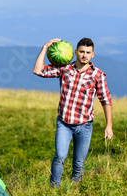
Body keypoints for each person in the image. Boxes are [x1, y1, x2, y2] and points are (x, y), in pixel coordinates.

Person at [33, 37, 113, 187]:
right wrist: (45, 47)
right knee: (60, 156)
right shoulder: (64, 69)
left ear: (93, 55)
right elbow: (38, 70)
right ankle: (53, 188)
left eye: (88, 52)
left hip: (85, 126)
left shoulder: (98, 75)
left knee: (78, 163)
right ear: (75, 52)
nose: (84, 55)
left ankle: (74, 192)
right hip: (64, 123)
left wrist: (109, 126)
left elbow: (106, 100)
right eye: (82, 51)